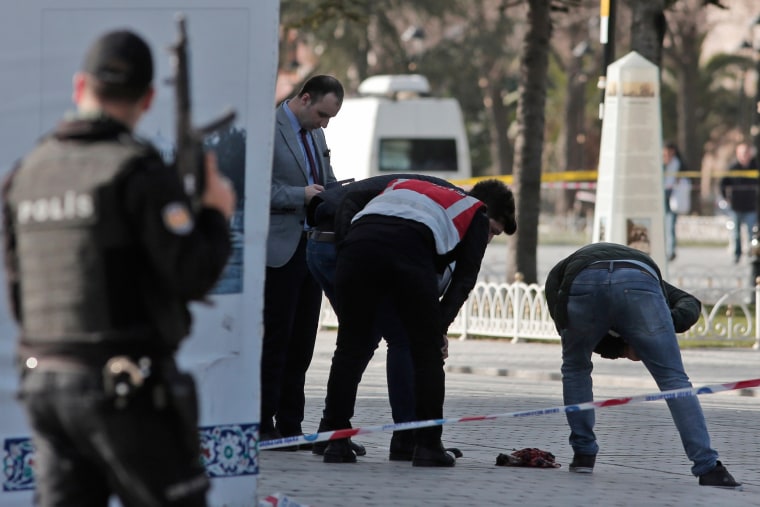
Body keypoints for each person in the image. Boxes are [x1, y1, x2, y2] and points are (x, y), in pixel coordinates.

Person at [1, 30, 236, 506]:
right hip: (123, 385)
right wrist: (215, 213)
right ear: (148, 99)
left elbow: (19, 287)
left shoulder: (26, 174)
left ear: (78, 86)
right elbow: (192, 274)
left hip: (44, 383)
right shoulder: (137, 171)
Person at [316, 178, 516, 466]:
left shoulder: (403, 185)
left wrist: (347, 242)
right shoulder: (476, 212)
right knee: (426, 356)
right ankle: (427, 445)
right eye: (493, 232)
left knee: (350, 348)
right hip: (408, 250)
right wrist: (438, 331)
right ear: (487, 212)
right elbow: (464, 281)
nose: (489, 237)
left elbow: (351, 199)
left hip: (358, 249)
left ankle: (335, 441)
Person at [544, 242, 742, 490]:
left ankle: (583, 454)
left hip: (582, 280)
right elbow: (690, 304)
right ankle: (710, 468)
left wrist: (621, 346)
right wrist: (656, 326)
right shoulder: (653, 278)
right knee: (674, 381)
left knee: (575, 367)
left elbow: (563, 321)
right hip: (638, 280)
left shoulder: (558, 274)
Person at [305, 174, 461, 461]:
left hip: (321, 245)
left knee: (358, 340)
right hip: (343, 246)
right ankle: (407, 436)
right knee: (400, 336)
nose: (487, 238)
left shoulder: (434, 195)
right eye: (492, 231)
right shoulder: (457, 207)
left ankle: (332, 432)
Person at [261, 75, 342, 448]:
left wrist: (344, 195)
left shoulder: (318, 133)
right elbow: (255, 187)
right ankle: (263, 422)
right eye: (322, 114)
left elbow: (327, 179)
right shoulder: (268, 128)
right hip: (279, 250)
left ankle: (291, 425)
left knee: (304, 342)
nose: (324, 124)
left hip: (313, 250)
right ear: (304, 98)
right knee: (276, 339)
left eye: (330, 119)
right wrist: (301, 195)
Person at [719, 142, 758, 264]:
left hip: (751, 206)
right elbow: (723, 183)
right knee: (736, 233)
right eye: (741, 153)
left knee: (753, 233)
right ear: (737, 154)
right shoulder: (733, 168)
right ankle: (737, 254)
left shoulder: (756, 166)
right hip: (736, 206)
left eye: (746, 152)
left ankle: (753, 255)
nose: (744, 155)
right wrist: (726, 197)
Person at [662, 142, 690, 262]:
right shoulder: (660, 163)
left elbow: (686, 177)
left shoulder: (679, 164)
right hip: (661, 195)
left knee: (670, 225)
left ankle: (670, 251)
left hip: (673, 195)